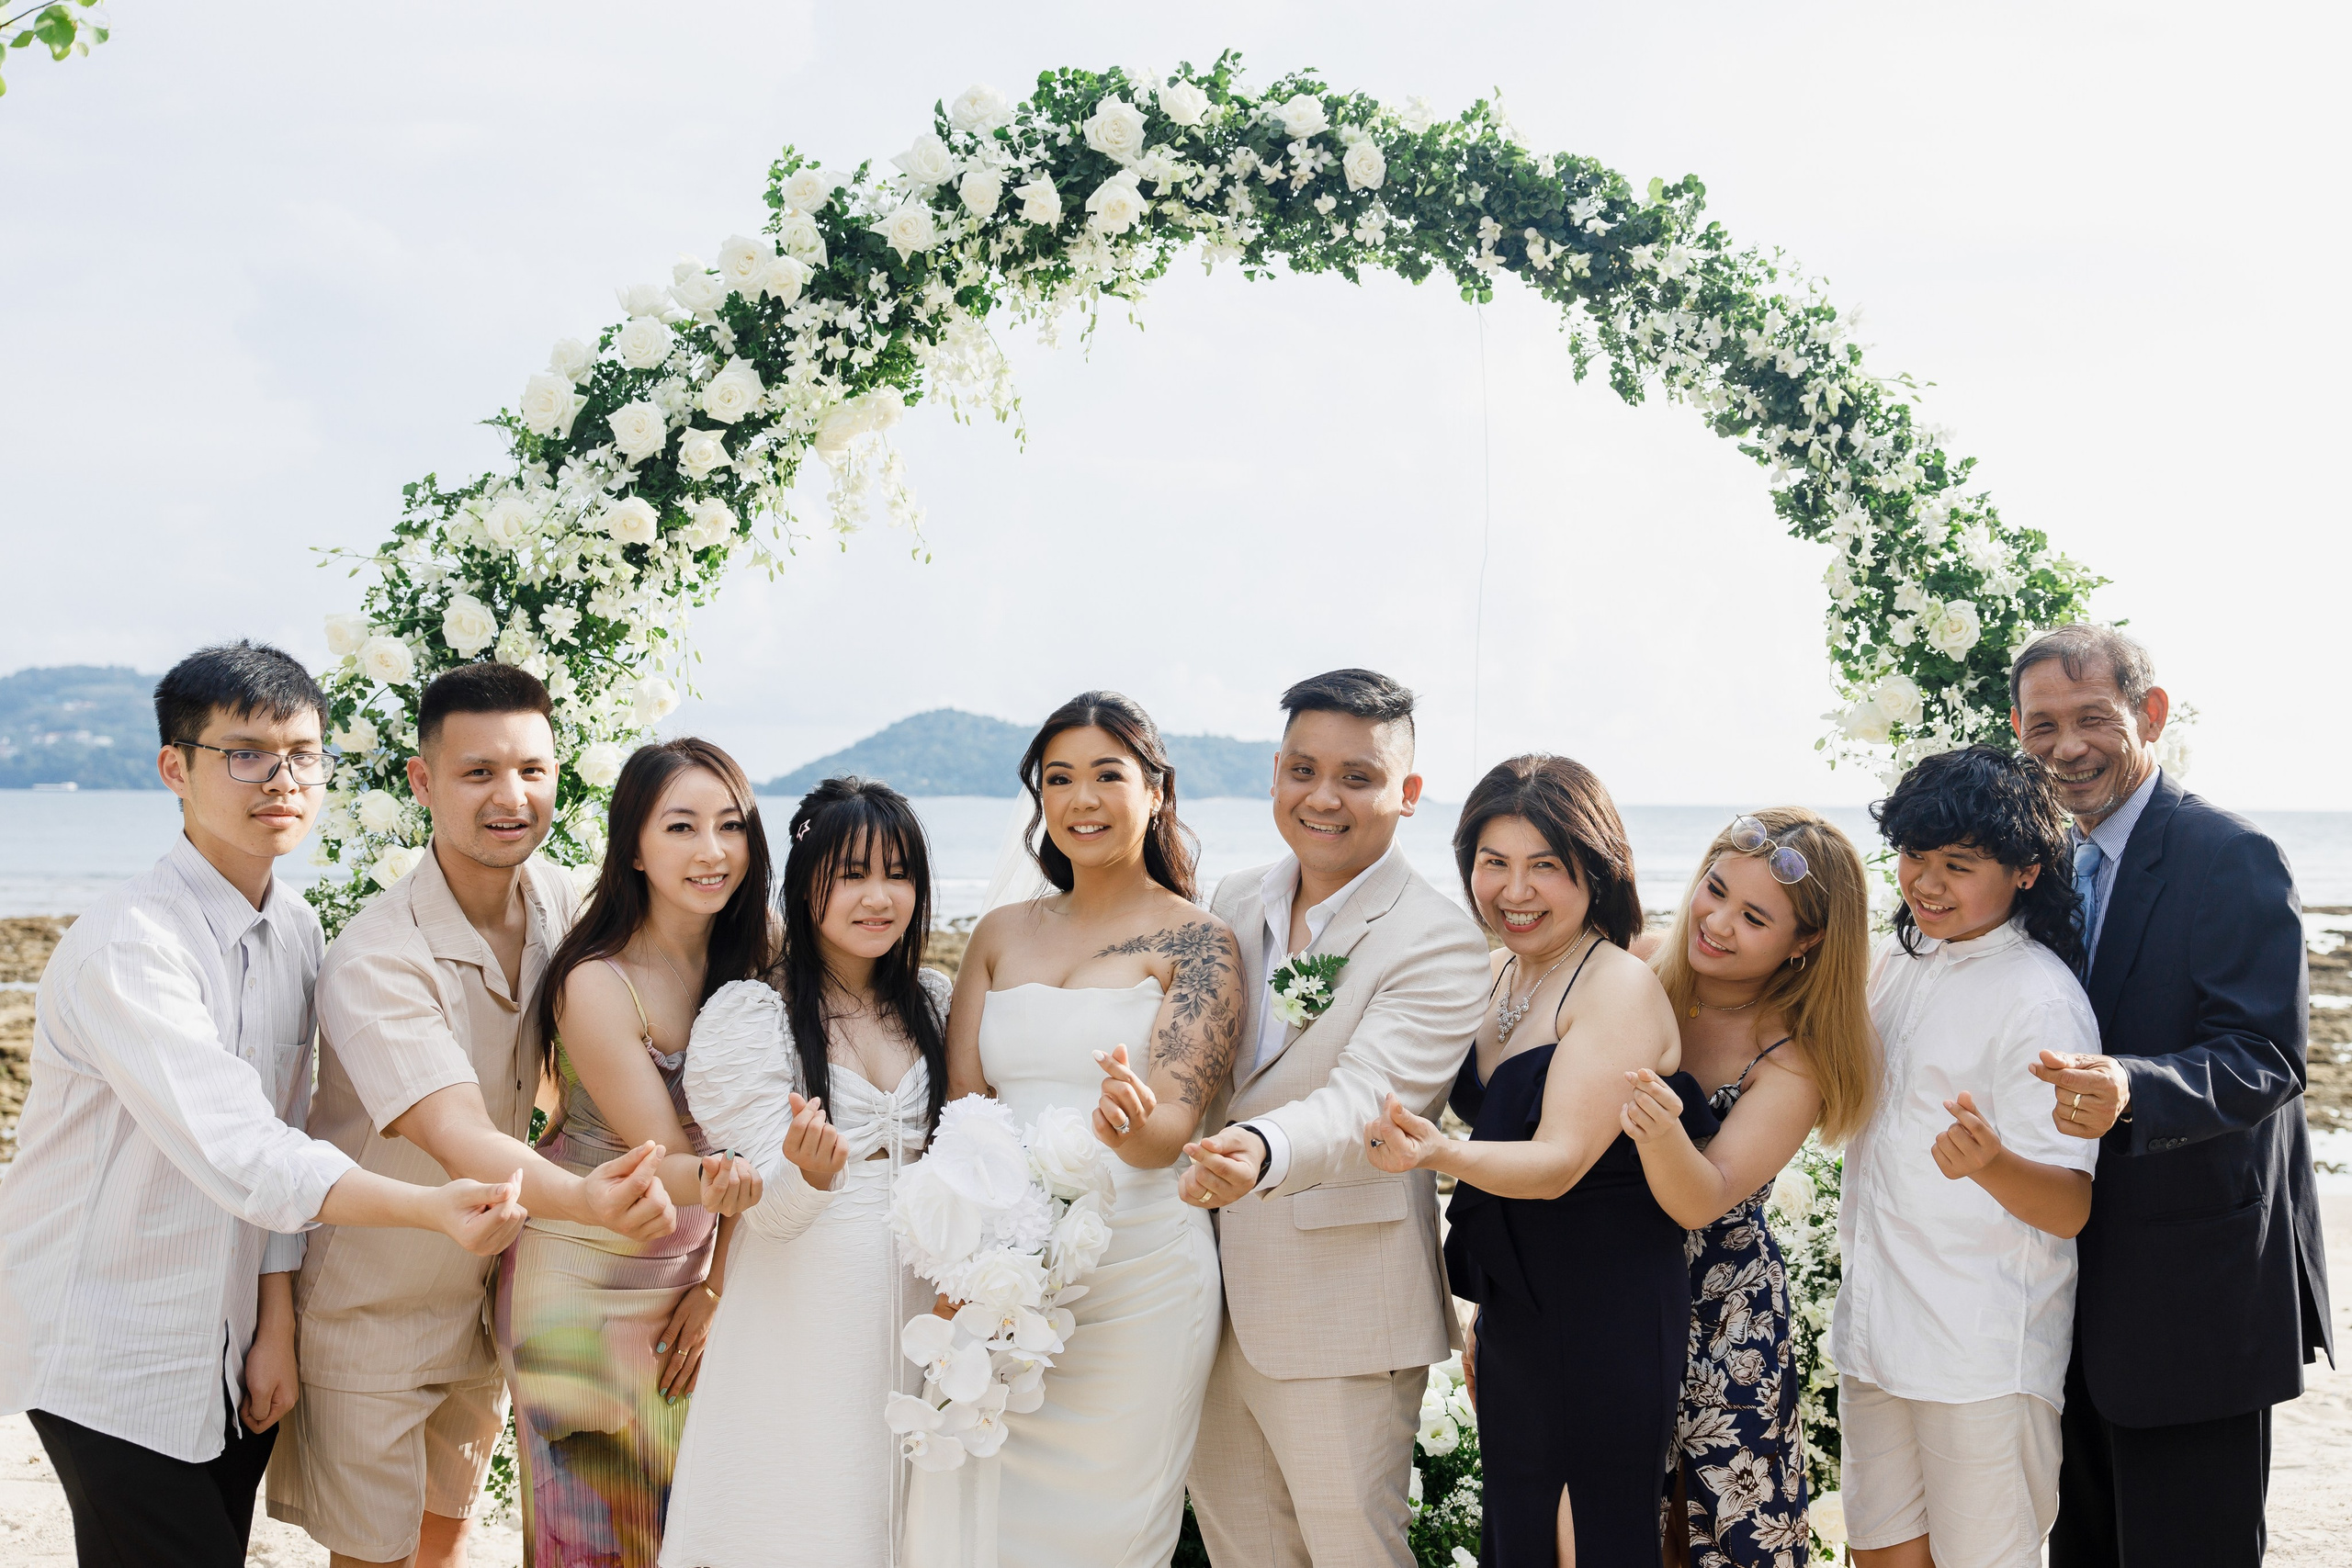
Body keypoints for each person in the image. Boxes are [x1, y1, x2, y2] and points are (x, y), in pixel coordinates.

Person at [0, 641, 530, 1568]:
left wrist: (274, 1327)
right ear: (176, 768)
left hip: (228, 1344)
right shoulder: (133, 944)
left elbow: (289, 1125)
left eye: (302, 755)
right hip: (109, 1347)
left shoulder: (294, 928)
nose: (281, 780)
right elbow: (244, 1149)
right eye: (244, 754)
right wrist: (430, 1208)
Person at [267, 662, 684, 1568]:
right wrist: (588, 1200)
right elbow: (454, 1131)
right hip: (372, 1306)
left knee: (444, 1546)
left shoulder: (566, 904)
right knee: (374, 1561)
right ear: (422, 782)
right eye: (478, 772)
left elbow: (689, 943)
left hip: (488, 1300)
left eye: (532, 769)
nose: (511, 796)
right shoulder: (378, 957)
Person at [2007, 626, 2333, 1568]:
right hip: (2064, 1297)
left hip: (2196, 1295)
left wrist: (2130, 1086)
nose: (2067, 746)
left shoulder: (2230, 854)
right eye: (2042, 726)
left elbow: (2264, 1056)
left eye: (2092, 718)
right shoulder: (2042, 864)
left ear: (2149, 714)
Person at [905, 691, 1245, 1568]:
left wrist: (1130, 1123)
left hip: (1139, 1281)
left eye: (1107, 776)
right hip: (1002, 1274)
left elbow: (1172, 1126)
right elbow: (964, 1112)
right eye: (1059, 779)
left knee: (1105, 1534)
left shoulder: (1199, 942)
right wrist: (964, 1263)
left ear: (1155, 791)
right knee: (974, 1515)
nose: (1081, 799)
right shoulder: (998, 934)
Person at [1182, 670, 1490, 1568]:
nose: (1324, 797)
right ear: (1276, 772)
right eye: (1303, 770)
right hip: (1203, 1302)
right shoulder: (1232, 899)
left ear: (1408, 792)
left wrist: (1260, 1146)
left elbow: (1369, 1102)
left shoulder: (1438, 938)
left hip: (1342, 1313)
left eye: (1358, 777)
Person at [1366, 752, 1688, 1566]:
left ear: (1597, 869)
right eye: (1494, 862)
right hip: (1520, 1306)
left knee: (1588, 1535)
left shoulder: (1615, 985)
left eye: (1545, 865)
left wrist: (1439, 1151)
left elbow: (1559, 1160)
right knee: (1521, 1530)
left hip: (1607, 1303)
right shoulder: (1497, 972)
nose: (1515, 890)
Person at [663, 776, 955, 1567]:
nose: (878, 896)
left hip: (923, 1299)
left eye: (897, 873)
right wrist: (810, 1175)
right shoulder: (750, 1015)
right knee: (807, 1509)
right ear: (804, 884)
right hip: (806, 1309)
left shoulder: (935, 1000)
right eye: (851, 873)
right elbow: (767, 1212)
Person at [501, 739, 769, 1567]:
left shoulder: (763, 955)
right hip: (579, 1288)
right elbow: (668, 1161)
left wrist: (717, 1283)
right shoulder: (596, 979)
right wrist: (769, 1168)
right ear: (635, 848)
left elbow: (760, 1134)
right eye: (681, 826)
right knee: (593, 1542)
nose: (711, 850)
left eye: (730, 825)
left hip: (689, 1283)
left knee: (687, 1534)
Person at [1832, 744, 2099, 1568]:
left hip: (1978, 1354)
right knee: (1880, 1554)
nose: (1928, 882)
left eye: (1959, 864)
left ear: (2025, 871)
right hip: (1875, 1334)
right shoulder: (1898, 961)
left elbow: (2070, 1206)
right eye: (1916, 855)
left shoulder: (2040, 998)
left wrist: (1991, 1164)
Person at [1619, 809, 1876, 1567]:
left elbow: (1704, 1196)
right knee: (1610, 1518)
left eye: (1755, 917)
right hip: (1610, 1284)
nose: (1718, 921)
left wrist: (1659, 1127)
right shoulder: (1636, 973)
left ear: (1806, 942)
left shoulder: (1791, 1056)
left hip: (1725, 1312)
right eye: (1715, 888)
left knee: (1719, 1534)